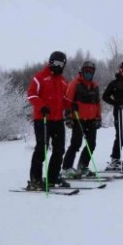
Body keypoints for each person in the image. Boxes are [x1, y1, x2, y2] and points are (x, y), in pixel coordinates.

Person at [26, 51, 71, 189]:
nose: (58, 66)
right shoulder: (40, 77)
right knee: (42, 148)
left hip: (58, 120)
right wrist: (41, 106)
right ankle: (35, 179)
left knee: (59, 150)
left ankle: (52, 177)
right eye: (55, 63)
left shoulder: (63, 81)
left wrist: (71, 105)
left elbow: (63, 100)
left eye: (61, 64)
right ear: (50, 62)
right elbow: (31, 95)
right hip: (43, 119)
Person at [62, 61, 102, 178]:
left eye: (91, 71)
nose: (89, 73)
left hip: (91, 119)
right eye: (87, 71)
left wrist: (98, 117)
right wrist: (68, 117)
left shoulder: (94, 86)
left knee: (92, 144)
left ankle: (82, 166)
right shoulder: (75, 84)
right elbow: (68, 101)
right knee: (76, 143)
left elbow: (97, 103)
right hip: (78, 118)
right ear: (83, 71)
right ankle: (66, 168)